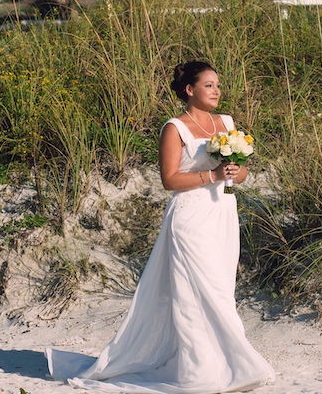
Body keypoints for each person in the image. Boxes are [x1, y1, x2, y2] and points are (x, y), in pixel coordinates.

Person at [47, 60, 275, 393]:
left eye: (218, 85)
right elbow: (169, 179)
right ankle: (202, 370)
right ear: (190, 90)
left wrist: (233, 172)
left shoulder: (225, 122)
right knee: (197, 293)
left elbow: (240, 172)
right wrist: (212, 175)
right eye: (209, 85)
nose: (217, 91)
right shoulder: (175, 128)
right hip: (190, 219)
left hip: (223, 213)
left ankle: (226, 362)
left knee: (221, 291)